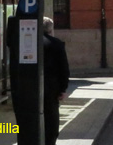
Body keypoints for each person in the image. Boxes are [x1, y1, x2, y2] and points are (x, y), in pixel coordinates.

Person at [43, 16, 70, 145]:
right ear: (51, 29)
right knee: (52, 115)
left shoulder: (31, 42)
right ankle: (50, 140)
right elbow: (64, 68)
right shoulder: (57, 44)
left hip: (31, 86)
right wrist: (63, 89)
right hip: (51, 87)